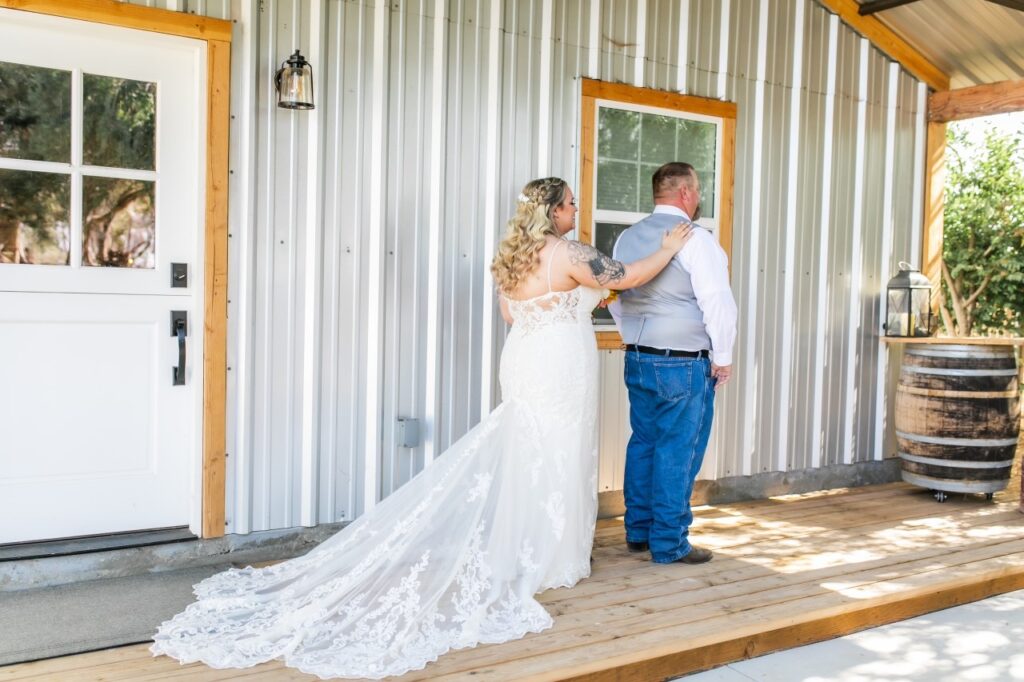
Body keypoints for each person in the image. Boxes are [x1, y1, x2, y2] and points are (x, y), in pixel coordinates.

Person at [151, 177, 692, 680]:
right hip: (558, 364)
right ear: (554, 212)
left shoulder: (515, 256)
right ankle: (551, 556)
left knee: (530, 449)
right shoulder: (570, 253)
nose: (576, 209)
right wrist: (668, 245)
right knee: (558, 450)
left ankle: (524, 547)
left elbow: (511, 316)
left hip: (525, 356)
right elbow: (629, 277)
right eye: (571, 202)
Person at [609, 162, 737, 566]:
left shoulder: (626, 239)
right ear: (685, 192)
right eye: (697, 191)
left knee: (644, 442)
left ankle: (639, 532)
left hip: (638, 356)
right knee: (678, 450)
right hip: (682, 362)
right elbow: (717, 302)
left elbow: (614, 295)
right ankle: (669, 542)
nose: (699, 198)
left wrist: (633, 335)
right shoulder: (696, 240)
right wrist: (724, 357)